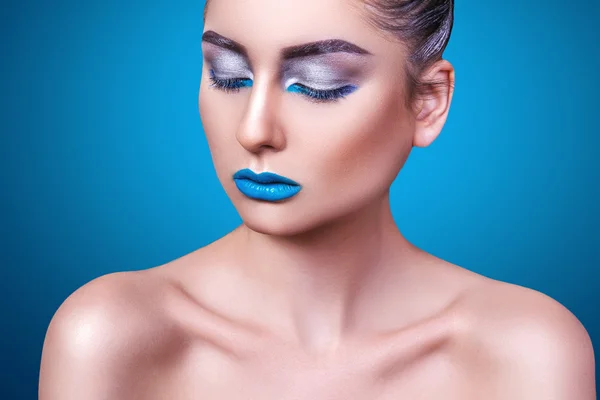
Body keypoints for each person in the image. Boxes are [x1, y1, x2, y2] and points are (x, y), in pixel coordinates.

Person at [39, 0, 596, 398]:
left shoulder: (526, 347)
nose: (255, 131)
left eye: (317, 84)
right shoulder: (111, 334)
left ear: (427, 101)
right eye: (228, 75)